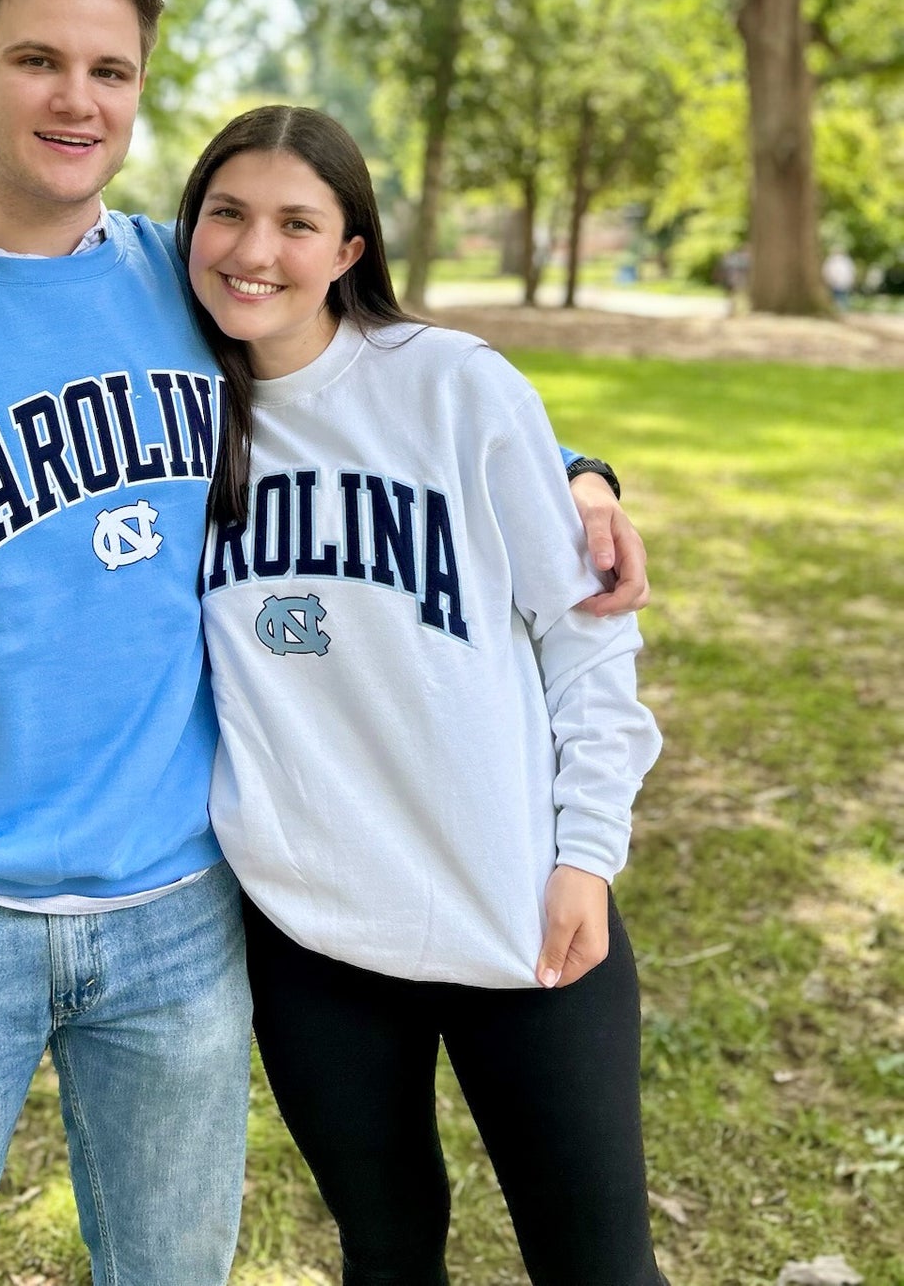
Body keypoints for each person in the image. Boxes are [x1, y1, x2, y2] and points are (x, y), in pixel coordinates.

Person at [0, 0, 650, 1286]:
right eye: (37, 59)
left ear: (139, 89)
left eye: (110, 68)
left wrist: (573, 473)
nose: (75, 97)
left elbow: (372, 391)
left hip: (178, 911)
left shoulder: (192, 277)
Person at [177, 103, 667, 1286]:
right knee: (385, 1256)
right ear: (185, 229)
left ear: (350, 250)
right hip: (313, 935)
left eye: (298, 222)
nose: (254, 250)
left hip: (518, 910)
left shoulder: (451, 385)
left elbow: (587, 637)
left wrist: (584, 854)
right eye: (227, 214)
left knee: (598, 1266)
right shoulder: (169, 415)